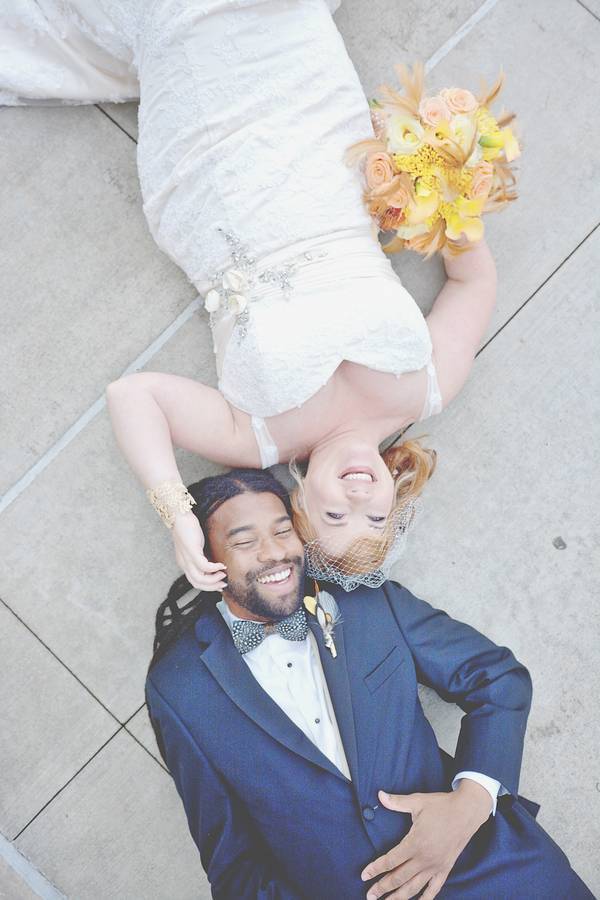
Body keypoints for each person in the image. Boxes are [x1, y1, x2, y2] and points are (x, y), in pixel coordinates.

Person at [1, 0, 498, 587]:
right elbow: (472, 281)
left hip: (209, 174)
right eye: (376, 515)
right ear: (394, 494)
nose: (358, 497)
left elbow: (132, 396)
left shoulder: (259, 438)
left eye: (336, 517)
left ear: (300, 504)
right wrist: (443, 185)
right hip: (317, 136)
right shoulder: (429, 386)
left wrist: (177, 516)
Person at [146, 468, 594, 899]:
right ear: (205, 557)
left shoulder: (367, 601)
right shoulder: (180, 689)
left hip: (501, 875)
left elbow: (498, 679)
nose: (274, 552)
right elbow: (235, 871)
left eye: (283, 531)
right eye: (244, 541)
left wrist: (470, 804)